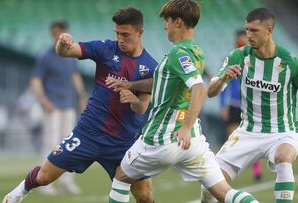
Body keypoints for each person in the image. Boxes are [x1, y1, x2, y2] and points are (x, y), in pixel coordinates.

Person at [106, 1, 259, 203]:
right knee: (224, 191)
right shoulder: (196, 51)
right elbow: (161, 82)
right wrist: (128, 85)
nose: (164, 26)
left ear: (177, 22)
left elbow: (199, 88)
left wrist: (185, 126)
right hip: (193, 142)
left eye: (167, 21)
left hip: (163, 138)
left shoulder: (178, 53)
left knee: (120, 177)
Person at [2, 7, 158, 203]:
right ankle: (15, 195)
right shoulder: (105, 49)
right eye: (117, 33)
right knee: (44, 177)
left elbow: (142, 107)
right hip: (88, 133)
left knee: (145, 196)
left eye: (125, 34)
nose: (120, 39)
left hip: (123, 142)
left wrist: (133, 99)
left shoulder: (151, 67)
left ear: (140, 32)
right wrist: (62, 43)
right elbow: (66, 51)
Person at [201, 7, 298, 203]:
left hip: (282, 131)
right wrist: (222, 79)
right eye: (247, 30)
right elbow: (210, 92)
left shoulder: (290, 63)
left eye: (254, 31)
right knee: (210, 185)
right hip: (248, 131)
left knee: (283, 157)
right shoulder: (239, 56)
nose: (248, 35)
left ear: (269, 30)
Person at [28, 21, 87, 195]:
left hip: (67, 105)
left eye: (59, 32)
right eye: (54, 32)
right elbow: (35, 80)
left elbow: (75, 76)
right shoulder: (46, 55)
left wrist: (82, 95)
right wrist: (43, 100)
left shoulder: (70, 55)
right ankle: (44, 182)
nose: (57, 36)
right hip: (52, 106)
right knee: (50, 143)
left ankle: (66, 182)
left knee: (68, 145)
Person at [219, 30, 263, 182]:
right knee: (231, 138)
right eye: (238, 42)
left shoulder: (256, 61)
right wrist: (222, 105)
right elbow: (224, 83)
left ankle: (257, 171)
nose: (240, 44)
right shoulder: (232, 59)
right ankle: (225, 171)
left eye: (243, 41)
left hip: (249, 105)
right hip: (234, 105)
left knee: (252, 139)